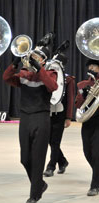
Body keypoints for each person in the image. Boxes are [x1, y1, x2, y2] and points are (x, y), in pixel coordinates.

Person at [3, 41, 58, 203]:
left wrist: (40, 69)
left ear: (43, 60)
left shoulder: (50, 72)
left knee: (38, 157)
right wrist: (14, 64)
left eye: (37, 57)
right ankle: (39, 184)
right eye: (32, 56)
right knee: (25, 158)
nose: (33, 58)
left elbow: (52, 86)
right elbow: (7, 78)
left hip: (41, 117)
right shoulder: (25, 74)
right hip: (25, 117)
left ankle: (33, 195)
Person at [44, 43, 74, 177]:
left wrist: (68, 117)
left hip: (60, 113)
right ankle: (62, 161)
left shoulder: (68, 80)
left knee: (55, 141)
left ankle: (51, 166)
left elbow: (70, 99)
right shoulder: (48, 76)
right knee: (50, 140)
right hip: (48, 111)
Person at [75, 59, 99, 196]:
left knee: (96, 153)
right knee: (87, 152)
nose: (91, 68)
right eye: (90, 66)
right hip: (88, 121)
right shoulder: (83, 84)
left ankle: (94, 185)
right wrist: (84, 94)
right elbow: (78, 105)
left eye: (94, 66)